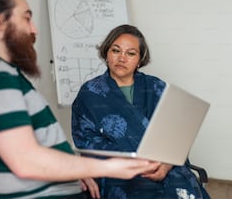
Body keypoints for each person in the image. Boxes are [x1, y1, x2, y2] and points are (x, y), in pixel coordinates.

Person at [0, 0, 161, 198]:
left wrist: (75, 169)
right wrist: (109, 166)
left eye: (131, 53)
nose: (34, 29)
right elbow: (26, 160)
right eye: (26, 18)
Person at [72, 24, 211, 199]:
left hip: (164, 166)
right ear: (106, 53)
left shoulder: (156, 87)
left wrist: (167, 163)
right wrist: (131, 163)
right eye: (116, 51)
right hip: (118, 172)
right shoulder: (90, 92)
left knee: (181, 186)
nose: (122, 58)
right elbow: (85, 141)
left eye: (130, 53)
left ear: (140, 59)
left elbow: (177, 134)